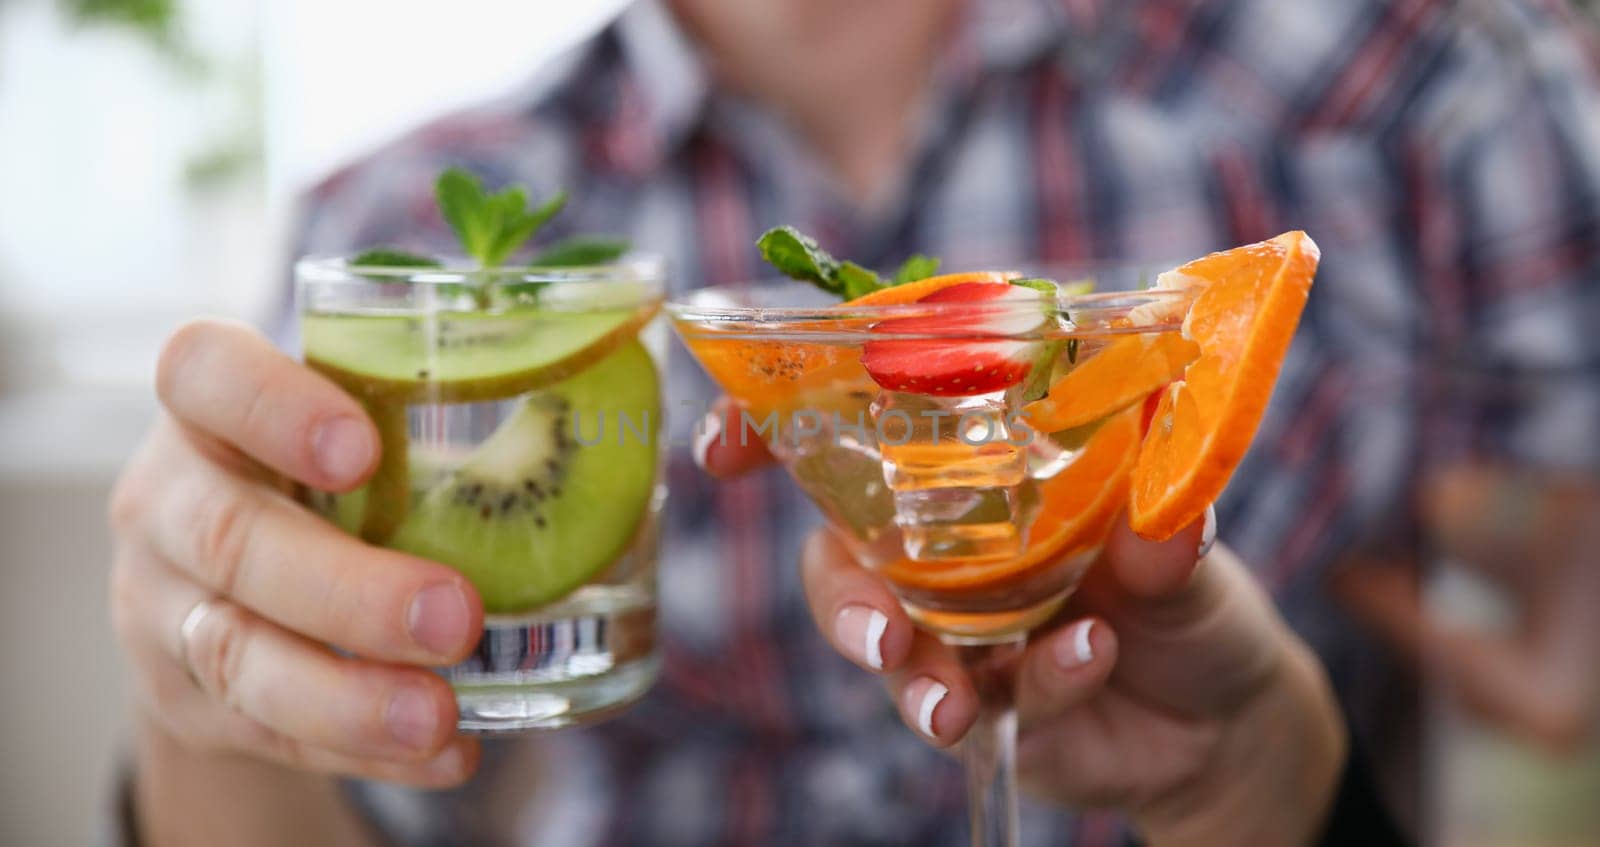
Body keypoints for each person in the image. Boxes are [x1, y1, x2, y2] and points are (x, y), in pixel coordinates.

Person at [107, 0, 1600, 844]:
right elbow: (346, 781)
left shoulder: (1420, 96)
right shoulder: (413, 239)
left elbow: (1554, 691)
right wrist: (206, 702)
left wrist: (1293, 747)